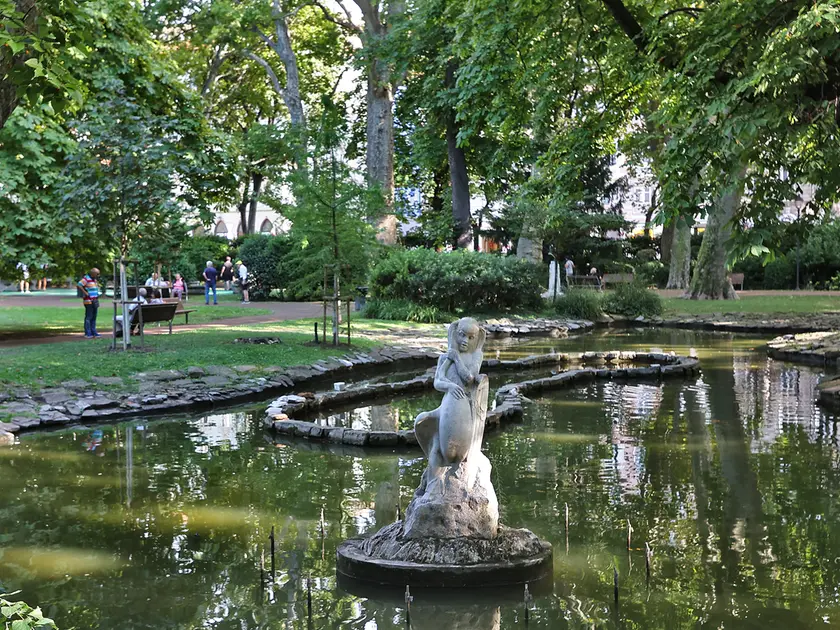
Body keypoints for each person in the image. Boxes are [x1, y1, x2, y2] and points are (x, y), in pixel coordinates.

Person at [78, 268, 101, 339]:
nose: (98, 275)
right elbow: (79, 285)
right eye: (97, 274)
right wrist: (85, 293)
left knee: (94, 317)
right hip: (88, 301)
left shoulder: (94, 280)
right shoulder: (86, 279)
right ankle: (88, 333)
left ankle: (94, 332)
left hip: (95, 300)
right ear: (93, 273)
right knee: (89, 316)